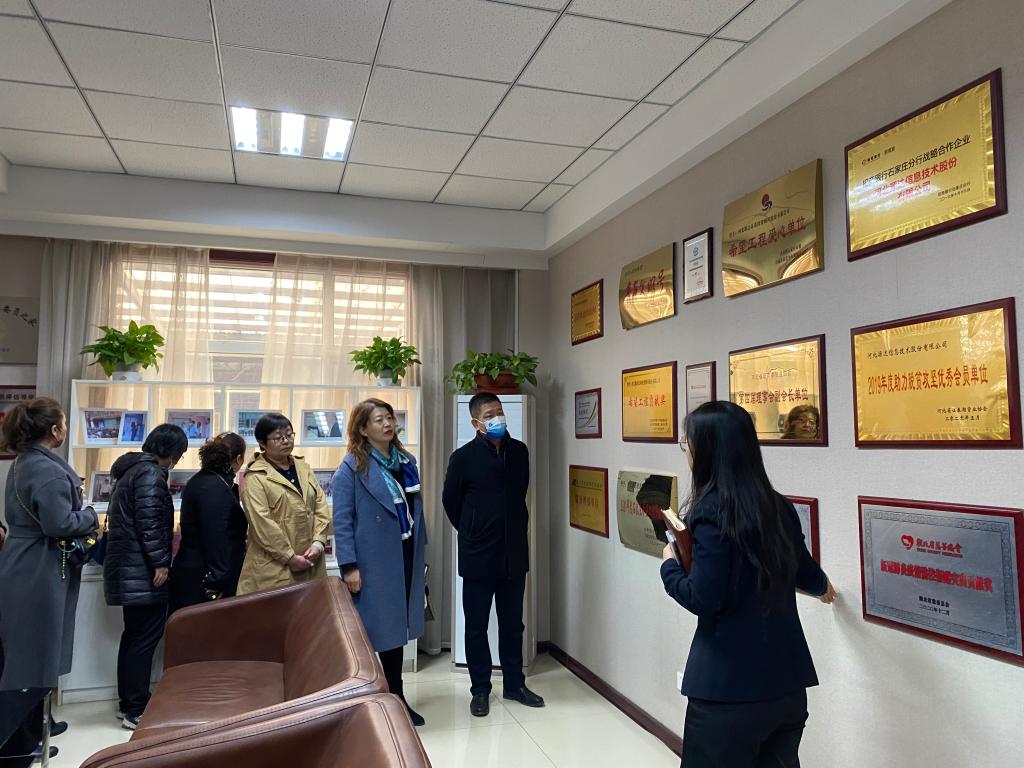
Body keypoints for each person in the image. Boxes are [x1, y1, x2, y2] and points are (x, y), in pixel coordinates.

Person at [660, 401, 837, 768]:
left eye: (687, 443)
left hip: (728, 692)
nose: (686, 451)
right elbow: (804, 571)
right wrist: (823, 588)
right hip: (786, 686)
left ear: (708, 450)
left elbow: (703, 598)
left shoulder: (710, 512)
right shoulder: (778, 505)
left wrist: (669, 567)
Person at [0, 398, 97, 764]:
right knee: (33, 657)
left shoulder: (26, 462)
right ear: (55, 430)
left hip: (24, 562)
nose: (66, 429)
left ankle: (26, 735)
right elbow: (60, 523)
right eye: (65, 424)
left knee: (27, 655)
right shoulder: (47, 471)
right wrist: (90, 516)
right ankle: (17, 745)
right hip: (37, 568)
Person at [442, 393, 543, 717]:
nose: (496, 418)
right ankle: (480, 690)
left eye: (499, 412)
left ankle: (514, 684)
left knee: (513, 624)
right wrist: (473, 528)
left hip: (513, 551)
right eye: (489, 415)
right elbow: (450, 502)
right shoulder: (463, 458)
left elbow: (520, 493)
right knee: (476, 626)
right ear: (476, 423)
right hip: (478, 554)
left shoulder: (519, 452)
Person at [333, 399, 427, 726]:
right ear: (362, 429)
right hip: (372, 559)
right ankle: (367, 700)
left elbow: (415, 511)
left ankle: (396, 697)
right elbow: (342, 520)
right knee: (375, 631)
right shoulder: (351, 468)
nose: (388, 424)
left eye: (390, 418)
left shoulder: (406, 461)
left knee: (395, 630)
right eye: (379, 420)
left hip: (404, 551)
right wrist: (349, 566)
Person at [104, 423, 188, 731]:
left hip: (130, 569)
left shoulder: (131, 471)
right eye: (180, 453)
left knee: (133, 637)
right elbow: (150, 523)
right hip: (142, 571)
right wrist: (161, 563)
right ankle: (136, 708)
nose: (178, 460)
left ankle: (129, 702)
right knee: (143, 639)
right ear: (171, 451)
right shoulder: (151, 474)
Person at [237, 414, 330, 595]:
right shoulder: (256, 477)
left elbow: (320, 505)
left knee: (313, 610)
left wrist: (319, 542)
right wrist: (289, 557)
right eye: (278, 437)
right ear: (262, 443)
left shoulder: (303, 468)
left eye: (289, 435)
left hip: (312, 561)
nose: (286, 441)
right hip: (275, 567)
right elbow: (262, 524)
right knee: (276, 612)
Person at [169, 433, 248, 612]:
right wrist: (215, 582)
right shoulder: (215, 487)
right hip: (205, 579)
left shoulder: (203, 480)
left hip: (194, 572)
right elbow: (217, 538)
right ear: (238, 459)